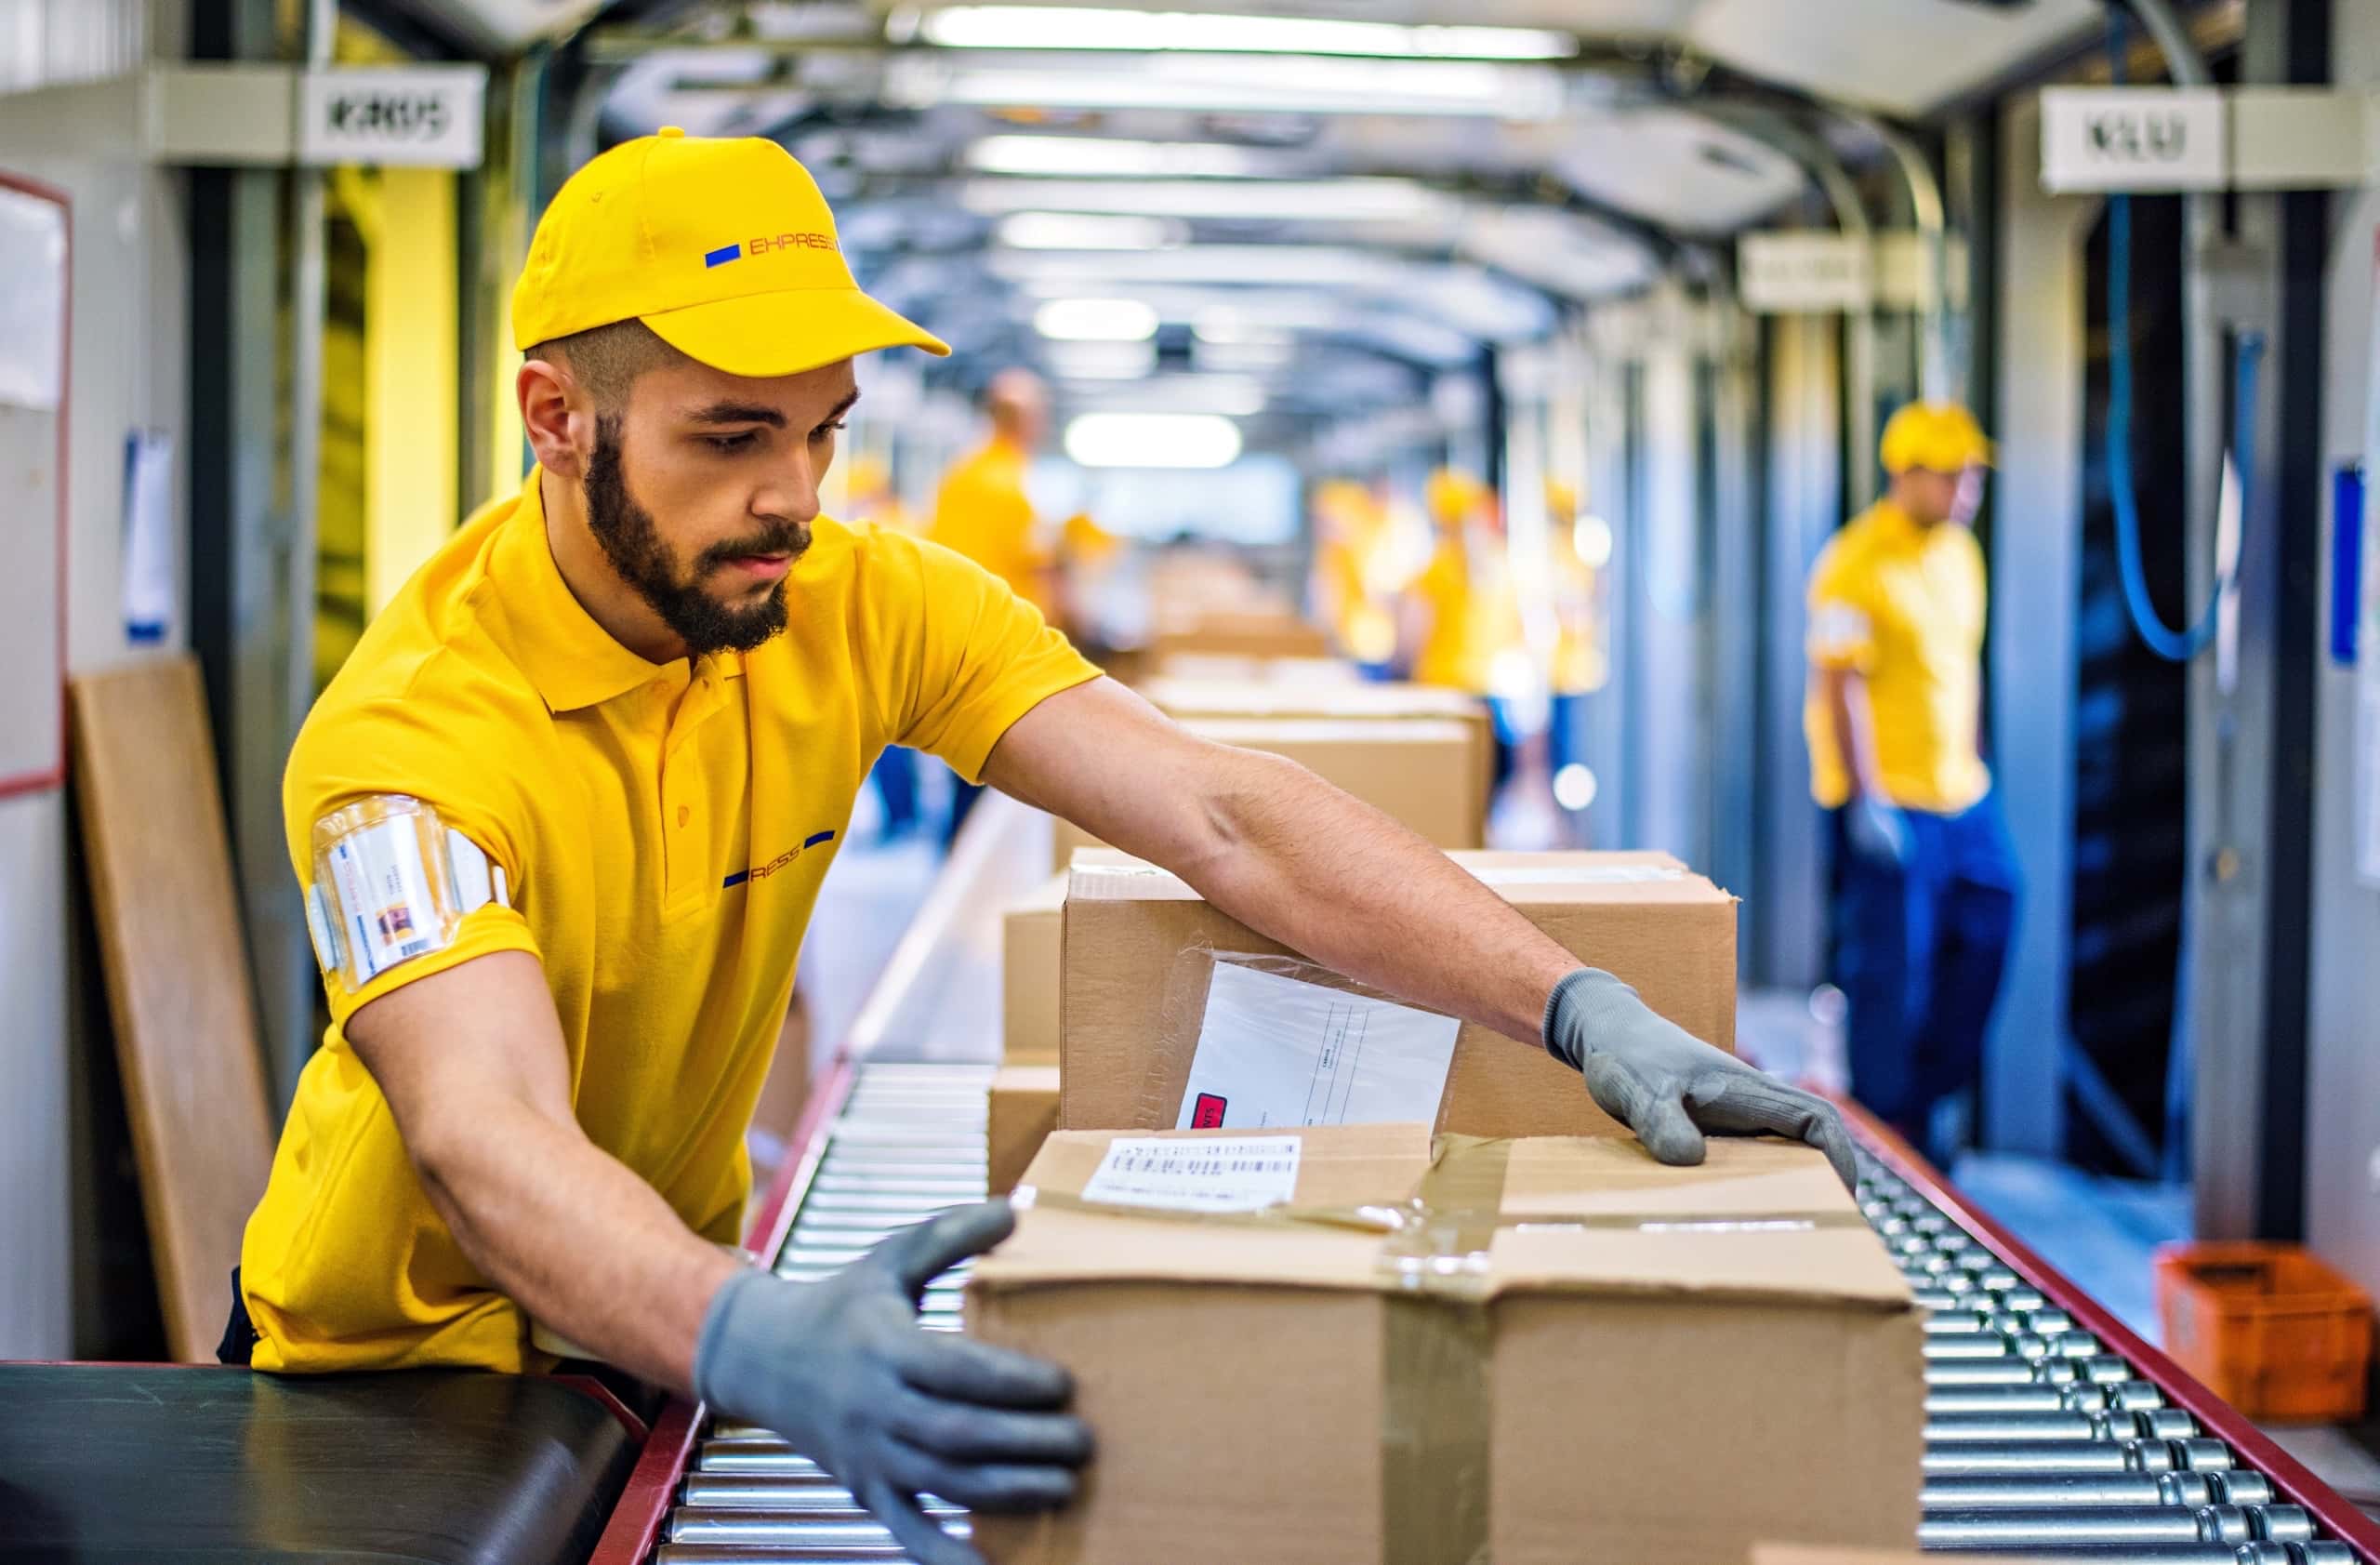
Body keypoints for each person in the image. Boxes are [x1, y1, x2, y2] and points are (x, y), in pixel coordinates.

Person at [231, 128, 1855, 1565]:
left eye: (824, 430)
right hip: (391, 1395)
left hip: (657, 1320)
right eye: (730, 437)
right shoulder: (404, 753)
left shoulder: (852, 601)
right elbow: (478, 1128)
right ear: (555, 416)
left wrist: (1575, 1004)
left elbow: (1222, 814)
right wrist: (754, 1331)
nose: (794, 495)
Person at [1805, 402, 2019, 1168]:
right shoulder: (1853, 562)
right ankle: (1884, 1139)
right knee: (1893, 977)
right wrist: (1867, 796)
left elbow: (1963, 669)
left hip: (1962, 797)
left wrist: (1978, 763)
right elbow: (1841, 685)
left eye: (1974, 477)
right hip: (1888, 801)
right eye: (1954, 476)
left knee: (1990, 928)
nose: (1968, 491)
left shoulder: (1961, 555)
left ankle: (1926, 1110)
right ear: (1907, 474)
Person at [929, 368, 1055, 839]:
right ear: (1023, 421)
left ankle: (955, 866)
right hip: (1000, 651)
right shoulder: (1011, 485)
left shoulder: (961, 476)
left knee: (963, 765)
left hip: (954, 639)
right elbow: (1040, 564)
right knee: (990, 774)